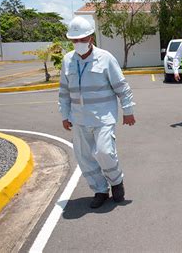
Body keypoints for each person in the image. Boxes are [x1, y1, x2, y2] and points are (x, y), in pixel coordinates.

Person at [58, 16, 135, 208]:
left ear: (91, 38)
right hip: (79, 118)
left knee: (104, 152)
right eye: (75, 40)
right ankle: (100, 189)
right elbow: (63, 92)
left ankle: (116, 182)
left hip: (103, 116)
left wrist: (128, 110)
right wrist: (64, 115)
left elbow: (122, 87)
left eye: (82, 39)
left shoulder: (105, 58)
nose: (79, 43)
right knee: (84, 157)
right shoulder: (68, 61)